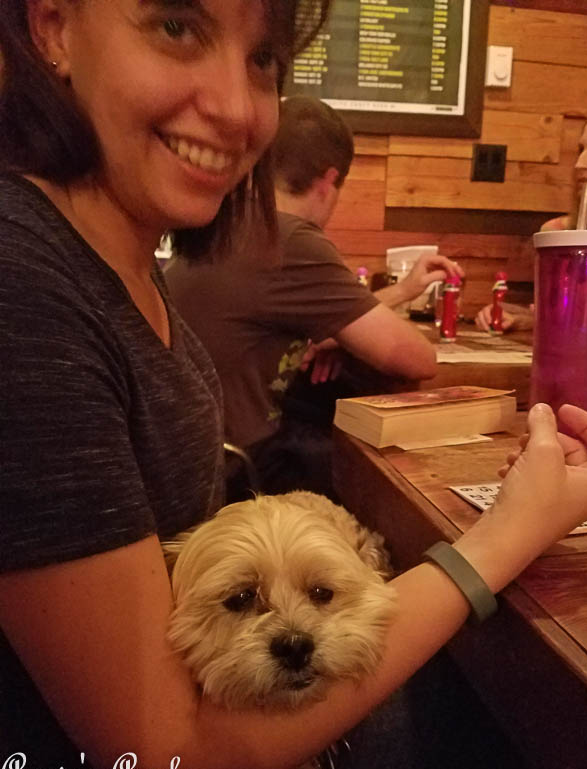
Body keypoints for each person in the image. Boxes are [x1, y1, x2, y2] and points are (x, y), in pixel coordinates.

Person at [2, 4, 587, 769]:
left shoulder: (121, 266)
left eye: (263, 61)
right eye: (178, 27)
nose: (238, 107)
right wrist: (502, 539)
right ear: (52, 27)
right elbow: (160, 761)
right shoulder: (24, 285)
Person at [166, 95, 463, 498]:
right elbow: (418, 359)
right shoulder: (288, 239)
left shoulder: (234, 222)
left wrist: (400, 293)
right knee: (373, 472)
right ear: (328, 181)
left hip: (186, 457)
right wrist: (337, 334)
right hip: (231, 474)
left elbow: (312, 307)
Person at [476, 110, 587, 333]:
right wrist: (512, 316)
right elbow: (566, 316)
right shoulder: (559, 233)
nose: (579, 164)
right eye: (580, 150)